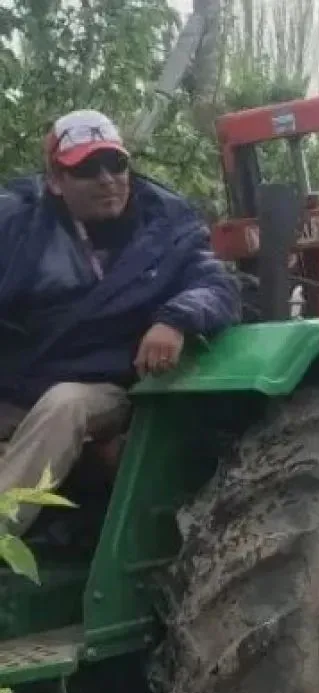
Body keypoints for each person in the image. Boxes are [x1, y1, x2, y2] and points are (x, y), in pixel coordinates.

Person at [0, 109, 241, 536]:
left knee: (64, 405)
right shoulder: (17, 224)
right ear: (56, 180)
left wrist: (175, 319)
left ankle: (2, 533)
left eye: (116, 163)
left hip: (108, 383)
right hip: (23, 379)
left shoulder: (166, 225)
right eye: (88, 169)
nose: (107, 179)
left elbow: (216, 286)